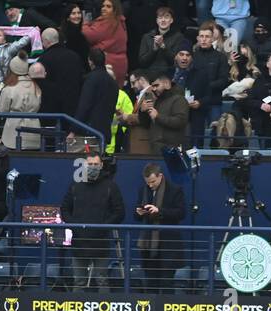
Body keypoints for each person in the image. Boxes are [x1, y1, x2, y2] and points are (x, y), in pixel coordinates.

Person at [60, 151, 125, 290]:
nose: (93, 166)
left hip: (101, 242)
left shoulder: (110, 186)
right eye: (90, 164)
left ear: (101, 165)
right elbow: (65, 209)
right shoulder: (75, 185)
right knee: (78, 282)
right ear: (84, 165)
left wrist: (103, 227)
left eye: (96, 164)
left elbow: (119, 212)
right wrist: (75, 226)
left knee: (102, 281)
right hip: (79, 242)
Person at [134, 163, 187, 290]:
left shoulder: (175, 190)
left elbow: (181, 213)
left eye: (153, 182)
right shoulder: (143, 190)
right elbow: (136, 216)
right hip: (148, 247)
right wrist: (139, 213)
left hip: (168, 246)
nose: (150, 185)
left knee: (166, 284)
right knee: (150, 284)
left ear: (160, 176)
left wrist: (159, 211)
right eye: (148, 182)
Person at [74, 49, 121, 148]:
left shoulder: (90, 79)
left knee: (88, 162)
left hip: (88, 132)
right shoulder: (113, 83)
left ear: (90, 61)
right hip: (104, 132)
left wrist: (74, 129)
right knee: (99, 161)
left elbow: (84, 106)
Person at [0, 57, 43, 150]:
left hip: (13, 129)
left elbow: (2, 110)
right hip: (34, 128)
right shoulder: (36, 86)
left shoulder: (9, 87)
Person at [84, 0, 129, 84]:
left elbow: (90, 35)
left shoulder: (109, 22)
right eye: (103, 6)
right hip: (120, 63)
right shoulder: (120, 21)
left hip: (109, 63)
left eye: (108, 6)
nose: (104, 8)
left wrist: (85, 25)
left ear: (115, 9)